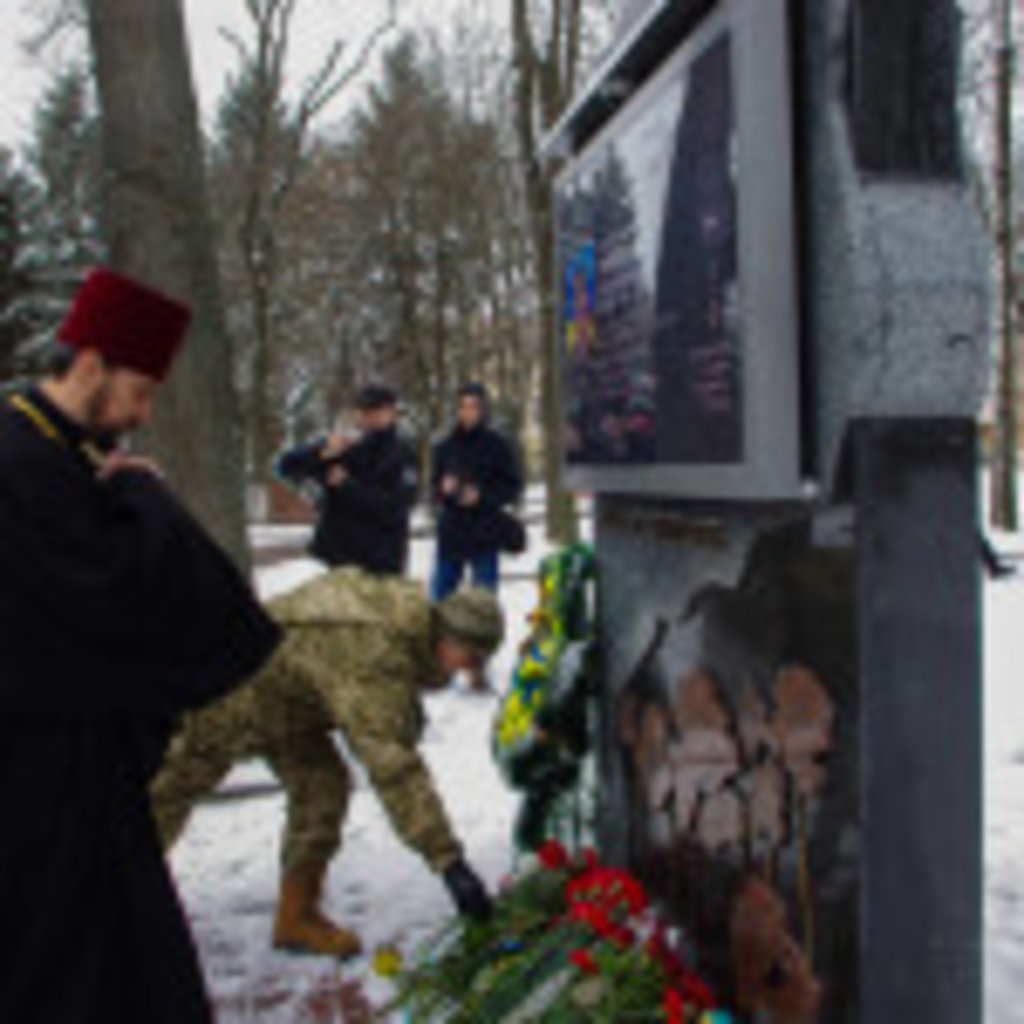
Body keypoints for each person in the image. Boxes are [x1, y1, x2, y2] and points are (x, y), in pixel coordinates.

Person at [0, 268, 281, 1023]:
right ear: (91, 363)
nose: (144, 413)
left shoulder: (50, 454)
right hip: (40, 796)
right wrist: (144, 500)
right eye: (141, 391)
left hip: (74, 785)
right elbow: (123, 599)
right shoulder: (23, 464)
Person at [151, 569, 506, 958]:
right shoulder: (376, 652)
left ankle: (297, 917)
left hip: (291, 704)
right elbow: (392, 766)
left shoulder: (403, 621)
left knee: (323, 788)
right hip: (232, 692)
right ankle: (111, 900)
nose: (468, 670)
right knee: (164, 796)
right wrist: (450, 863)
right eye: (471, 658)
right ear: (449, 638)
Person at [275, 384, 418, 575]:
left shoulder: (402, 452)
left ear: (392, 413)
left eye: (377, 411)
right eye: (364, 411)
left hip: (380, 561)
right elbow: (283, 467)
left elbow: (395, 508)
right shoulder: (344, 444)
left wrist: (347, 486)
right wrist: (319, 454)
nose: (370, 417)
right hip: (337, 558)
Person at [431, 382, 523, 601]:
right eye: (463, 406)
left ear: (483, 409)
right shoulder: (445, 446)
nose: (467, 412)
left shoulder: (498, 446)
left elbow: (512, 488)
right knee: (440, 599)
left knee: (484, 602)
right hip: (452, 532)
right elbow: (432, 490)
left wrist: (481, 497)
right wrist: (443, 489)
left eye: (473, 406)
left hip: (484, 532)